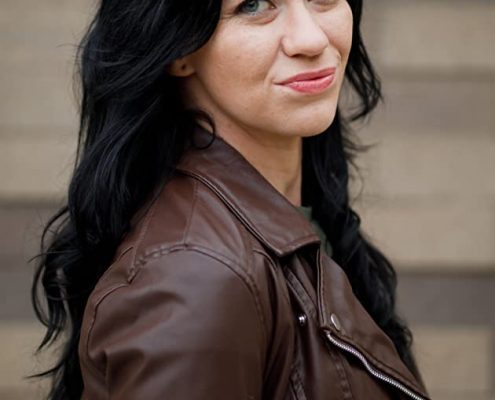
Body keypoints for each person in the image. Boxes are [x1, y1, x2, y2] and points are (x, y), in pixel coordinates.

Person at [31, 0, 430, 399]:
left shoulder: (299, 220)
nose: (311, 38)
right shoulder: (194, 277)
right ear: (179, 50)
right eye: (253, 5)